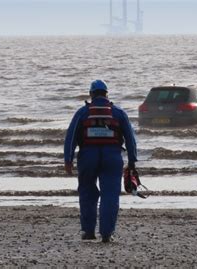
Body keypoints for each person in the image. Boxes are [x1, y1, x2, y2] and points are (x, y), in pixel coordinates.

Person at [64, 79, 137, 243]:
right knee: (110, 195)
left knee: (87, 193)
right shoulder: (118, 113)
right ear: (106, 94)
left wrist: (67, 160)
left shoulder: (83, 112)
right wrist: (132, 160)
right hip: (112, 157)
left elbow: (71, 138)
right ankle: (106, 233)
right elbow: (131, 139)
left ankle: (88, 232)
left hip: (88, 157)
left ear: (91, 95)